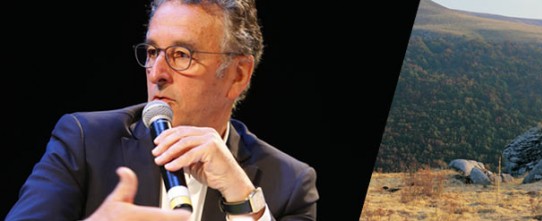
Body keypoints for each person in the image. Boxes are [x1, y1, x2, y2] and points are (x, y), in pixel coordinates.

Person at [6, 0, 318, 220]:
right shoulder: (85, 141)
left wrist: (243, 201)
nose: (156, 72)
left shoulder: (289, 183)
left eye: (181, 54)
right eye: (153, 51)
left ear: (238, 75)